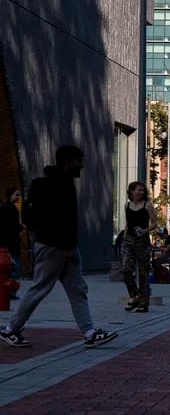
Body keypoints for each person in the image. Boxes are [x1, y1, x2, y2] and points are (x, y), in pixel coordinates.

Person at [1, 145, 117, 348]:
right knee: (40, 288)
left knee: (77, 289)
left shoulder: (49, 183)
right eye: (78, 161)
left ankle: (89, 332)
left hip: (58, 245)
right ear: (68, 161)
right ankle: (11, 329)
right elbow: (64, 219)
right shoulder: (60, 185)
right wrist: (67, 247)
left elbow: (32, 217)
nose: (81, 165)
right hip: (57, 248)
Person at [119, 181, 157, 313]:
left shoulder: (148, 205)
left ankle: (143, 303)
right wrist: (124, 237)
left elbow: (154, 223)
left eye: (142, 190)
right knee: (125, 270)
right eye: (138, 190)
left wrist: (145, 230)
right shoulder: (127, 205)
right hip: (128, 240)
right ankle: (134, 296)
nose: (140, 192)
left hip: (142, 241)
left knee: (143, 272)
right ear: (131, 192)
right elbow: (128, 223)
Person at [0, 187, 24, 299]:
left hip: (7, 244)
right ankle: (10, 292)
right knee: (14, 269)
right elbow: (10, 226)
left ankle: (8, 292)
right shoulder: (10, 208)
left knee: (10, 270)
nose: (18, 197)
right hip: (12, 244)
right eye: (16, 195)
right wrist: (20, 227)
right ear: (10, 195)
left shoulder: (6, 208)